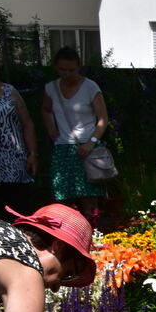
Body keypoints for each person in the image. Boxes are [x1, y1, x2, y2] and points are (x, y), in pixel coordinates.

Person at [42, 47, 108, 225]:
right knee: (61, 195)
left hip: (86, 147)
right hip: (62, 147)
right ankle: (67, 236)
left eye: (71, 70)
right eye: (62, 69)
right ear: (56, 67)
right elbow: (46, 110)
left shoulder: (90, 87)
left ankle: (93, 235)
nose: (67, 74)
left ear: (79, 67)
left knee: (89, 196)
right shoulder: (51, 88)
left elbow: (103, 119)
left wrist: (91, 142)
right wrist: (51, 127)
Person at [0, 47, 38, 220]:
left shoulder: (9, 91)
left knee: (19, 213)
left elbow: (27, 124)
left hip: (14, 165)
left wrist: (33, 154)